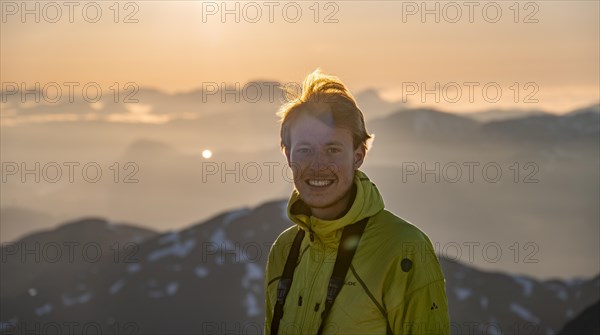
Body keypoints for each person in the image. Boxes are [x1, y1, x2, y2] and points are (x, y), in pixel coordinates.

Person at [264, 69, 450, 335]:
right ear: (288, 156)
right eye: (305, 150)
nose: (318, 165)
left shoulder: (403, 249)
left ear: (358, 156)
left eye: (333, 150)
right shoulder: (284, 250)